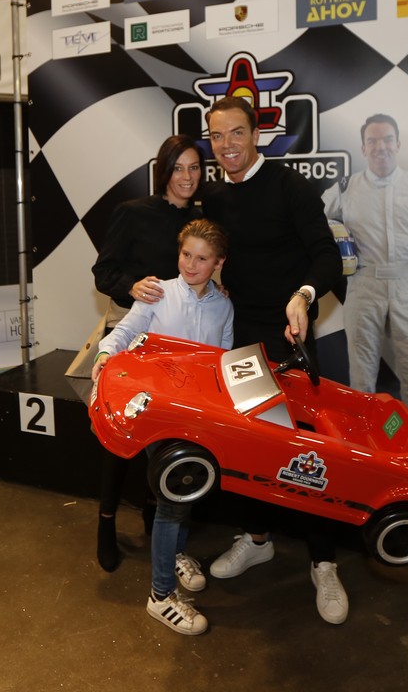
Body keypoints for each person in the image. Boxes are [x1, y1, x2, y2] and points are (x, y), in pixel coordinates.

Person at [198, 96, 347, 625]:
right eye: (217, 136)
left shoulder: (290, 186)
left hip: (290, 333)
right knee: (250, 443)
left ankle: (324, 561)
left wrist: (303, 296)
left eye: (236, 133)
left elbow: (327, 256)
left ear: (256, 134)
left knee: (308, 446)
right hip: (240, 335)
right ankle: (257, 539)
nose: (227, 145)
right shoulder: (214, 196)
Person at [92, 219, 232, 636]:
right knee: (172, 499)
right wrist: (104, 355)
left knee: (186, 493)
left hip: (198, 417)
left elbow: (222, 360)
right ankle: (161, 595)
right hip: (158, 415)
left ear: (218, 263)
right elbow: (125, 331)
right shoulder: (158, 292)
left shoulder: (224, 306)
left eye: (202, 258)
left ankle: (175, 553)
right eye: (186, 254)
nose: (191, 264)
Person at [90, 134, 205, 572]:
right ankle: (105, 523)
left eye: (194, 167)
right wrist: (132, 286)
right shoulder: (133, 212)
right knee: (120, 435)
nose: (187, 177)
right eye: (178, 168)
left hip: (176, 344)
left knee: (165, 434)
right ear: (163, 171)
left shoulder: (202, 219)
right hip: (133, 334)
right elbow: (103, 272)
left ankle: (154, 518)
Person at [320, 113, 408, 410]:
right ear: (363, 148)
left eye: (387, 139)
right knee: (361, 376)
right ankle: (366, 437)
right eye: (372, 141)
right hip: (363, 285)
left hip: (406, 286)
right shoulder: (345, 188)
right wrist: (329, 248)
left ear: (397, 144)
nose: (380, 147)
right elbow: (314, 222)